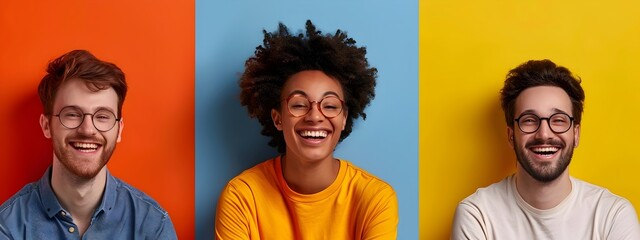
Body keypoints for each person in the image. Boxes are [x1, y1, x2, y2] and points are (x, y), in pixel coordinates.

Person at [215, 20, 398, 239]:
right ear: (278, 118)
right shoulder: (242, 197)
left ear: (343, 119)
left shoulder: (375, 198)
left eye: (330, 106)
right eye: (299, 104)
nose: (314, 116)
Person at [451, 59, 640, 239]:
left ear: (576, 134)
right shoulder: (477, 215)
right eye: (529, 120)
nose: (544, 134)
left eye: (558, 120)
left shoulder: (613, 215)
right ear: (511, 136)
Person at [0, 50, 177, 239]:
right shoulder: (8, 227)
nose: (87, 130)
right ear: (46, 126)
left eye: (102, 117)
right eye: (72, 114)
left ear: (119, 130)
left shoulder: (152, 226)